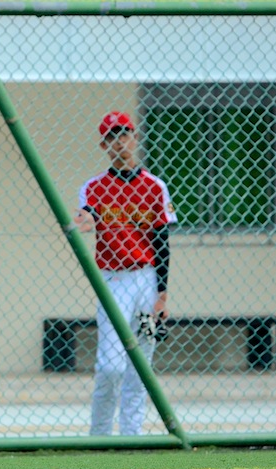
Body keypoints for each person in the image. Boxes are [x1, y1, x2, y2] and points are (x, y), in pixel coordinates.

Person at [74, 111, 177, 436]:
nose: (121, 141)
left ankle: (133, 436)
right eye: (113, 136)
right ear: (104, 144)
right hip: (113, 280)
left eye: (126, 133)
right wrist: (84, 221)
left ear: (134, 137)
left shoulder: (155, 187)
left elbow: (162, 243)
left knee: (140, 367)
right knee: (110, 366)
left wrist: (161, 294)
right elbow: (85, 216)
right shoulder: (94, 187)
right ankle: (100, 436)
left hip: (146, 278)